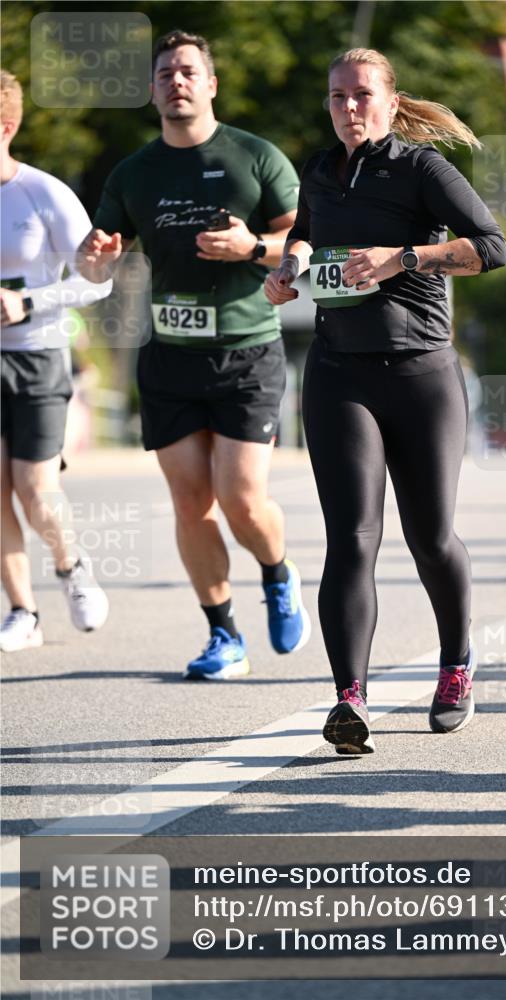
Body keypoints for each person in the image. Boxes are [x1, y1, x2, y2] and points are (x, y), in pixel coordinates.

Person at [265, 48, 506, 753]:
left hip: (420, 375)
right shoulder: (319, 169)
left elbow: (491, 248)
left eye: (361, 94)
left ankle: (456, 662)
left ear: (389, 100)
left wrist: (401, 257)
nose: (348, 107)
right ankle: (350, 700)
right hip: (339, 371)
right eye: (337, 96)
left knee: (428, 536)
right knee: (351, 539)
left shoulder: (422, 170)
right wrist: (288, 266)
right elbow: (306, 231)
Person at [77, 31, 309, 679]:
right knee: (190, 505)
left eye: (187, 71)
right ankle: (223, 635)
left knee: (241, 499)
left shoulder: (254, 157)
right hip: (170, 357)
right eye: (164, 74)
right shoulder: (133, 173)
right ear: (152, 90)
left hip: (245, 349)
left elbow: (302, 239)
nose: (175, 81)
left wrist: (253, 251)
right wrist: (93, 262)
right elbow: (98, 267)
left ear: (210, 84)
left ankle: (277, 571)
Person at [0, 69, 110, 653]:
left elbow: (98, 284)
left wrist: (28, 301)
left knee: (34, 488)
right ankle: (23, 610)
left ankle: (71, 567)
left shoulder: (43, 193)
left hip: (37, 354)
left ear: (6, 125)